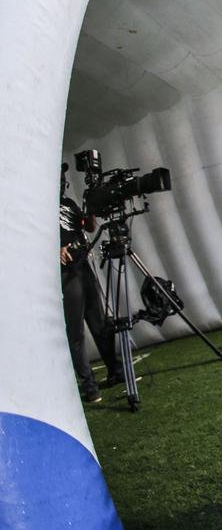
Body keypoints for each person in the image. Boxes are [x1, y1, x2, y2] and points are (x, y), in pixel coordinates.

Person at [60, 163, 123, 403]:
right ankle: (90, 387)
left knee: (99, 323)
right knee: (76, 332)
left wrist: (91, 209)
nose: (62, 180)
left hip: (83, 268)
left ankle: (115, 370)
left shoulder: (68, 204)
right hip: (66, 274)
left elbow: (89, 227)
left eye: (63, 175)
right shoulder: (38, 209)